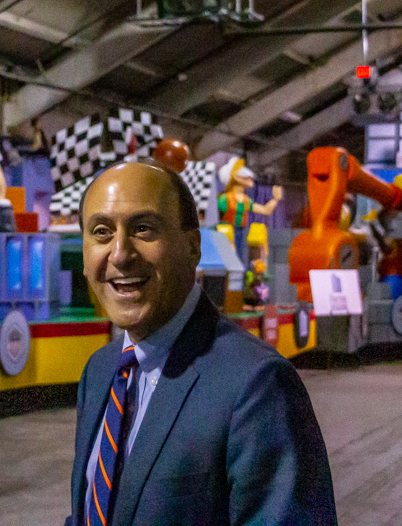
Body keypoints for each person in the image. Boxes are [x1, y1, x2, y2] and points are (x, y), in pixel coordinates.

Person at [68, 162, 336, 526]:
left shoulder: (257, 386)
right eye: (101, 232)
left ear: (193, 247)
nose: (119, 254)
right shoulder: (99, 373)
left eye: (143, 229)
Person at [217, 156, 283, 265]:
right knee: (228, 258)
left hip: (240, 232)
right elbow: (214, 216)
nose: (249, 177)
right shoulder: (225, 198)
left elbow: (265, 210)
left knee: (238, 258)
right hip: (226, 233)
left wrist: (275, 199)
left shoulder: (245, 200)